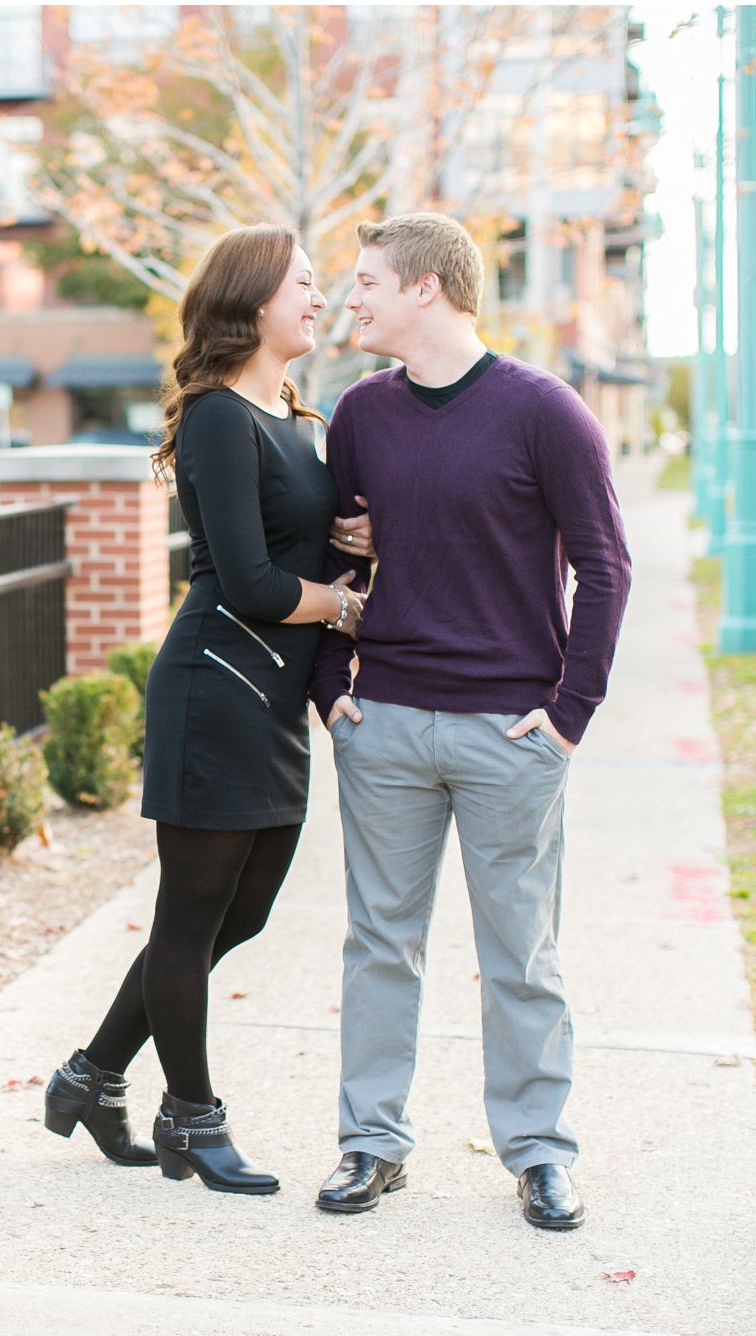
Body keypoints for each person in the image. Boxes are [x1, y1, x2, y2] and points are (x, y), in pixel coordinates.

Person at [309, 212, 631, 1230]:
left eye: (364, 281)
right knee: (378, 945)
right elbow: (339, 558)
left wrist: (568, 715)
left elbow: (605, 568)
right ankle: (370, 1145)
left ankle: (537, 1155)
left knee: (518, 955)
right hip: (388, 722)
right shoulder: (358, 412)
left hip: (509, 732)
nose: (347, 298)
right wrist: (331, 688)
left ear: (426, 289)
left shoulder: (543, 411)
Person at [44, 224, 368, 1196]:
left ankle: (91, 1073)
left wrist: (353, 539)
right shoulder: (219, 418)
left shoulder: (297, 422)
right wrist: (349, 603)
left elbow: (298, 546)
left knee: (241, 913)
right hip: (214, 690)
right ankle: (190, 1117)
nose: (319, 299)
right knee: (187, 922)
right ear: (253, 299)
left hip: (267, 701)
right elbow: (253, 583)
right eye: (303, 284)